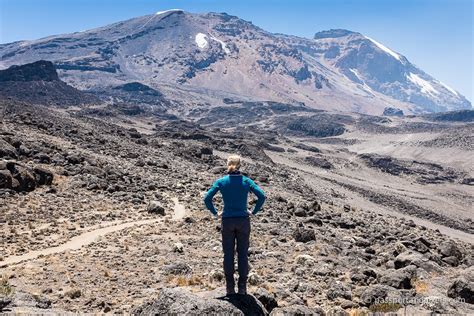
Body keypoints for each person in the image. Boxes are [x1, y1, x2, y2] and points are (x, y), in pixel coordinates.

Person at [204, 154, 266, 295]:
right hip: (243, 221)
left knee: (228, 254)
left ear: (228, 165)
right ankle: (242, 287)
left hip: (227, 221)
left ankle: (230, 288)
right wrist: (254, 211)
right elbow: (262, 196)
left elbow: (207, 198)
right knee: (243, 254)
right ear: (239, 166)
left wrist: (215, 212)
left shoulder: (222, 181)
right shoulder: (246, 181)